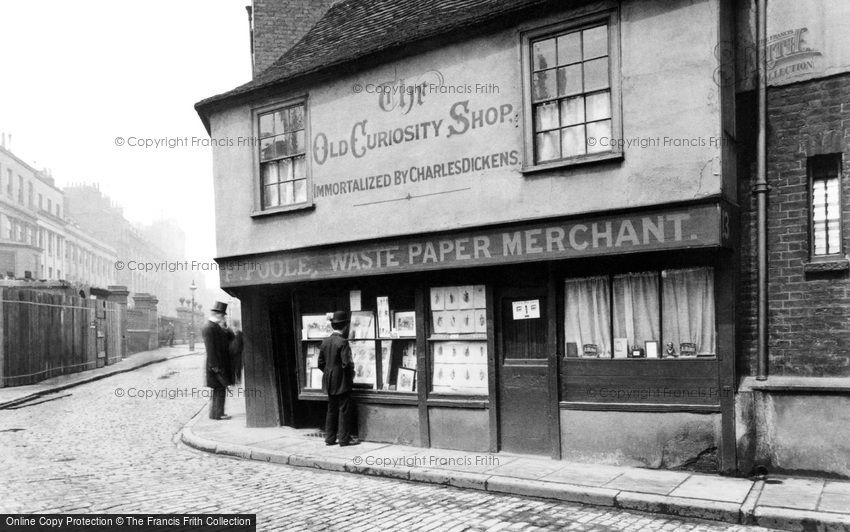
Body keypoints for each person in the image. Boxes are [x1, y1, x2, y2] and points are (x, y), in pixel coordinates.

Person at [318, 310, 359, 446]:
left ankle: (329, 438)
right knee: (344, 409)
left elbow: (320, 363)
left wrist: (330, 372)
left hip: (329, 381)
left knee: (331, 409)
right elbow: (346, 363)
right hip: (341, 381)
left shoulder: (325, 342)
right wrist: (349, 376)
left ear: (333, 326)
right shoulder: (343, 342)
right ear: (345, 326)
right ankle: (344, 439)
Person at [202, 301, 232, 420]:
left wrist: (225, 326)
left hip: (217, 364)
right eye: (223, 315)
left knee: (219, 389)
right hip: (215, 365)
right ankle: (217, 414)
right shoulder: (209, 328)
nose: (224, 317)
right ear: (218, 314)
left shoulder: (215, 326)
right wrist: (215, 367)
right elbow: (211, 349)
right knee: (219, 389)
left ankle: (216, 413)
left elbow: (229, 338)